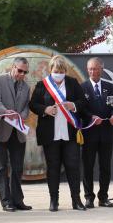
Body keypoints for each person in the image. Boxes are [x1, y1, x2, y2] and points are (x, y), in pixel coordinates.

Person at [29, 55, 89, 212]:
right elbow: (33, 104)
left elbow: (83, 102)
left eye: (62, 71)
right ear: (50, 70)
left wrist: (74, 105)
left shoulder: (73, 83)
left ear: (65, 71)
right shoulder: (42, 85)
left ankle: (76, 200)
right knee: (53, 167)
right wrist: (45, 109)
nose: (59, 73)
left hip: (70, 133)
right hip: (50, 134)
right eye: (56, 70)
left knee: (73, 167)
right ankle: (53, 201)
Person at [0, 57, 32, 212]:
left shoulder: (26, 87)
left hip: (18, 132)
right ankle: (6, 201)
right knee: (1, 167)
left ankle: (18, 200)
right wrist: (5, 112)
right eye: (20, 70)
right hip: (1, 131)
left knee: (17, 167)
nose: (22, 74)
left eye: (25, 72)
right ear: (12, 67)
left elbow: (27, 107)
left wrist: (22, 115)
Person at [80, 57, 113, 208]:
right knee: (88, 167)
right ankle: (88, 197)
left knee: (105, 167)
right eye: (90, 69)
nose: (92, 71)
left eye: (95, 68)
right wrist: (91, 117)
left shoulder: (110, 87)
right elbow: (81, 109)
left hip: (106, 134)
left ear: (101, 69)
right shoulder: (82, 87)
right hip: (89, 134)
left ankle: (103, 197)